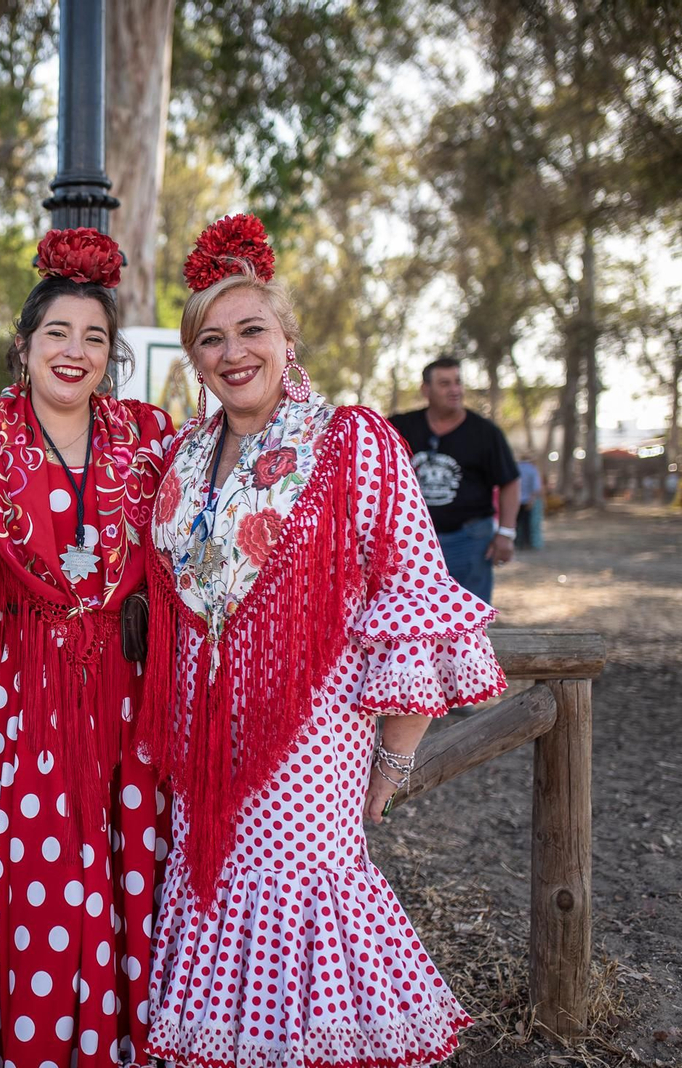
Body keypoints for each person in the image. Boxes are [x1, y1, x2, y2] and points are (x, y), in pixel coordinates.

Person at [134, 214, 508, 1068]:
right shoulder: (185, 457)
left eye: (252, 330)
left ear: (288, 336)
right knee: (214, 890)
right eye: (211, 340)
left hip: (307, 738)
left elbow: (411, 593)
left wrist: (395, 759)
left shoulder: (351, 443)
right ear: (192, 360)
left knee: (298, 903)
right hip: (202, 736)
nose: (234, 353)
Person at [0, 228, 176, 1068]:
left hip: (123, 691)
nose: (75, 351)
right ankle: (27, 1043)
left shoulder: (149, 436)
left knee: (125, 859)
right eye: (57, 333)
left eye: (95, 337)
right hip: (18, 695)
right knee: (36, 884)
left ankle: (118, 1042)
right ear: (23, 345)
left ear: (113, 355)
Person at [389, 357, 520, 603]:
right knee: (415, 617)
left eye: (458, 382)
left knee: (469, 621)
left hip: (469, 540)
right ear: (426, 389)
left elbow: (509, 481)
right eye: (445, 383)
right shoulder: (400, 426)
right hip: (412, 544)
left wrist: (506, 533)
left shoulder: (485, 432)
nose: (455, 390)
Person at [516, 452, 544, 549]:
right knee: (527, 524)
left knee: (517, 523)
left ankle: (517, 543)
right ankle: (527, 543)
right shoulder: (532, 470)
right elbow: (536, 488)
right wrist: (532, 500)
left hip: (516, 500)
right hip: (527, 500)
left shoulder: (516, 468)